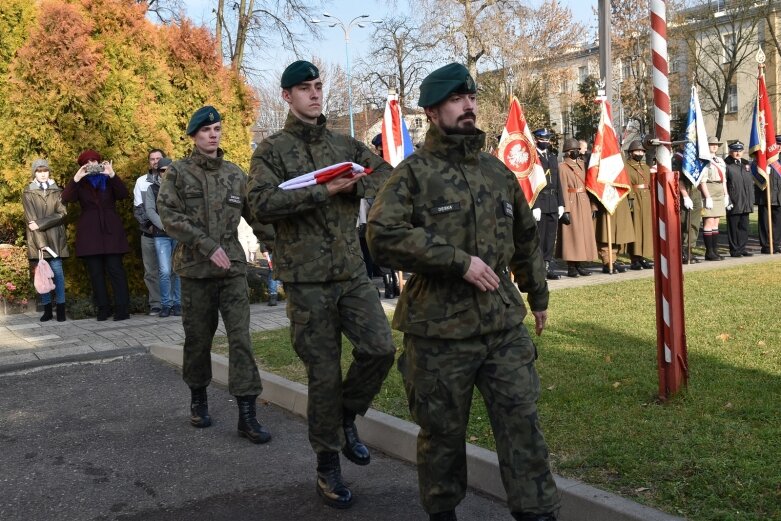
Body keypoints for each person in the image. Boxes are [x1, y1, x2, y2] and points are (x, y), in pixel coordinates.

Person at [366, 63, 560, 521]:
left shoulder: (496, 172)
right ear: (433, 112)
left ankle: (538, 514)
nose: (468, 105)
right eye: (456, 99)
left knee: (522, 426)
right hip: (438, 331)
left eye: (471, 97)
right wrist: (457, 261)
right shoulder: (413, 174)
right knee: (441, 436)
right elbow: (382, 235)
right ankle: (442, 513)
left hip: (501, 326)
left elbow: (525, 235)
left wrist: (538, 295)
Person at [247, 60, 396, 510]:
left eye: (317, 86)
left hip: (350, 272)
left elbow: (387, 177)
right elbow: (260, 203)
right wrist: (323, 191)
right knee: (324, 374)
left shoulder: (343, 143)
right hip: (306, 280)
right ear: (286, 97)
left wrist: (358, 190)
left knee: (380, 348)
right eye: (304, 89)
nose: (314, 94)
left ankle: (347, 417)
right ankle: (328, 466)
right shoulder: (271, 151)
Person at [157, 106, 271, 444]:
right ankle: (198, 399)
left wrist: (273, 246)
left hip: (232, 270)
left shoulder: (235, 174)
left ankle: (247, 415)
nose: (213, 134)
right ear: (194, 136)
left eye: (218, 129)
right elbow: (169, 215)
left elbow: (256, 216)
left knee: (241, 339)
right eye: (206, 130)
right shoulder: (177, 173)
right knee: (198, 340)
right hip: (195, 272)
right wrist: (206, 244)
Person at [61, 150, 131, 321]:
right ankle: (103, 309)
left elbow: (123, 194)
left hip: (111, 231)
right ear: (83, 165)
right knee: (96, 273)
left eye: (94, 160)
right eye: (87, 162)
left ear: (99, 162)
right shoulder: (80, 183)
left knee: (116, 271)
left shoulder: (108, 179)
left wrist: (112, 174)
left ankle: (122, 309)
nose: (91, 163)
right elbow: (66, 198)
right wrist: (76, 178)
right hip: (90, 233)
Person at [22, 159, 69, 322]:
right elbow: (31, 220)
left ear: (49, 172)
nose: (42, 174)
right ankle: (47, 309)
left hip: (55, 239)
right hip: (38, 241)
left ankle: (61, 309)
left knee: (58, 274)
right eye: (39, 171)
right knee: (43, 276)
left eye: (45, 171)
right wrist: (41, 244)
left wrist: (41, 223)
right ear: (34, 173)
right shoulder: (28, 192)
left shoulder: (57, 191)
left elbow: (62, 214)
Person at [143, 157, 180, 317]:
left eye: (168, 169)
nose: (165, 173)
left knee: (177, 270)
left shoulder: (181, 186)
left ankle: (178, 303)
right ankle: (166, 304)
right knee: (164, 271)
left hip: (178, 233)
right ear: (158, 172)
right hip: (161, 235)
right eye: (162, 170)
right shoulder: (151, 189)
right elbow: (150, 211)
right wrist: (165, 226)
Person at [557, 138, 597, 277]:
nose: (576, 152)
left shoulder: (583, 164)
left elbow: (590, 186)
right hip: (571, 202)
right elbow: (562, 188)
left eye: (577, 150)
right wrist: (565, 209)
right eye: (573, 150)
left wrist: (593, 206)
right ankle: (571, 266)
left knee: (583, 235)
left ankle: (580, 264)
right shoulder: (562, 167)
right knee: (572, 235)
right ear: (567, 152)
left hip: (584, 201)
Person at [134, 149, 164, 315]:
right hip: (149, 233)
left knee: (170, 270)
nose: (155, 161)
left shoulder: (172, 180)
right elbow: (138, 208)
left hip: (169, 234)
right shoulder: (141, 182)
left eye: (158, 158)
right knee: (151, 271)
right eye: (152, 159)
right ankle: (156, 303)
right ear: (149, 162)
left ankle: (171, 302)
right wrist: (151, 225)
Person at [531, 128, 565, 280]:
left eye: (547, 139)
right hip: (540, 202)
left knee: (551, 237)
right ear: (537, 139)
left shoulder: (552, 157)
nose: (546, 142)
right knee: (540, 237)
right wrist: (535, 205)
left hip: (552, 202)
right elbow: (532, 183)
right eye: (542, 139)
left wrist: (561, 203)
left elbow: (557, 182)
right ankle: (538, 269)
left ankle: (547, 265)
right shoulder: (533, 158)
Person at [625, 141, 654, 270]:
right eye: (637, 151)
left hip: (646, 199)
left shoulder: (646, 167)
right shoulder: (627, 166)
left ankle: (643, 256)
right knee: (636, 228)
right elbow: (627, 183)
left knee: (646, 229)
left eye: (642, 151)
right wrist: (630, 197)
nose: (640, 153)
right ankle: (634, 258)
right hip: (635, 198)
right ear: (631, 153)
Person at [698, 137, 728, 261]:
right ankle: (709, 252)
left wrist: (726, 194)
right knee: (709, 221)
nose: (714, 146)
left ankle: (715, 251)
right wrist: (707, 197)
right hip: (709, 189)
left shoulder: (720, 160)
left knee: (716, 222)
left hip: (719, 189)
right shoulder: (704, 160)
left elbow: (724, 179)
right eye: (712, 144)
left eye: (716, 144)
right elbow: (702, 180)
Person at [676, 139, 705, 263]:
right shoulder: (677, 159)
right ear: (681, 145)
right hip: (685, 193)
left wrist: (704, 196)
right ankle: (683, 252)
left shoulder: (693, 158)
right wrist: (685, 196)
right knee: (685, 224)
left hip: (695, 192)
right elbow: (679, 179)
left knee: (694, 224)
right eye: (686, 144)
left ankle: (689, 250)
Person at [723, 141, 754, 257]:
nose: (738, 153)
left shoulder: (746, 164)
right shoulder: (726, 164)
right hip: (734, 200)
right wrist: (727, 199)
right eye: (735, 151)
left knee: (744, 226)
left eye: (740, 151)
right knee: (733, 227)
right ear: (730, 151)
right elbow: (725, 183)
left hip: (746, 200)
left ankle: (742, 248)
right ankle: (734, 249)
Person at [756, 135, 781, 254]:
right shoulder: (764, 159)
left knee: (778, 222)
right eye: (777, 145)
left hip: (779, 196)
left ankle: (775, 244)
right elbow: (754, 174)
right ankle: (766, 245)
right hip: (766, 195)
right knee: (765, 222)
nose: (779, 147)